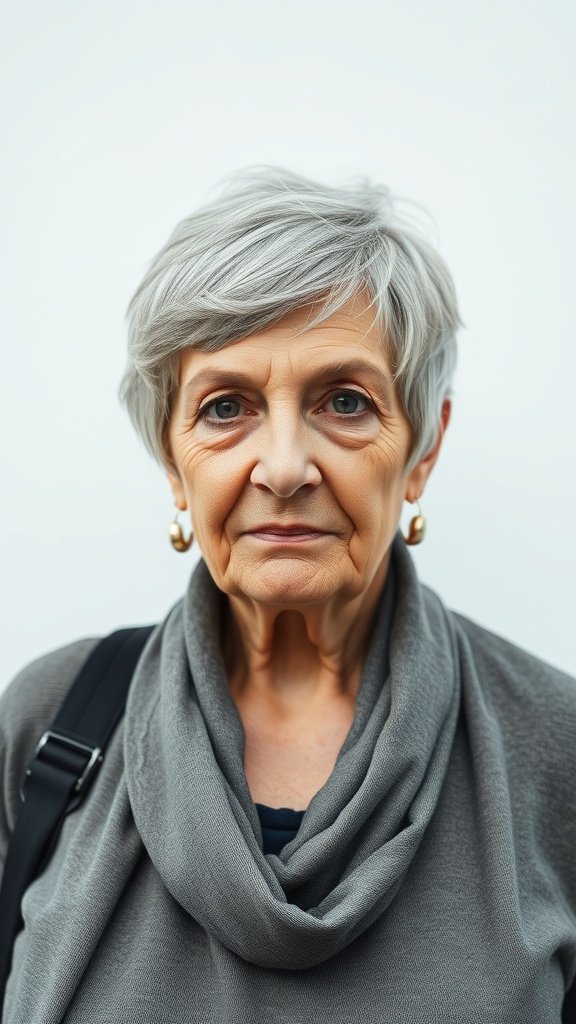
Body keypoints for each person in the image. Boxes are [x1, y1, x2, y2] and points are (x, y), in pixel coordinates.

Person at [0, 165, 574, 1023]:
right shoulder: (53, 723)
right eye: (225, 407)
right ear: (172, 460)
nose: (282, 467)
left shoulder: (555, 749)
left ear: (424, 449)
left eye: (345, 401)